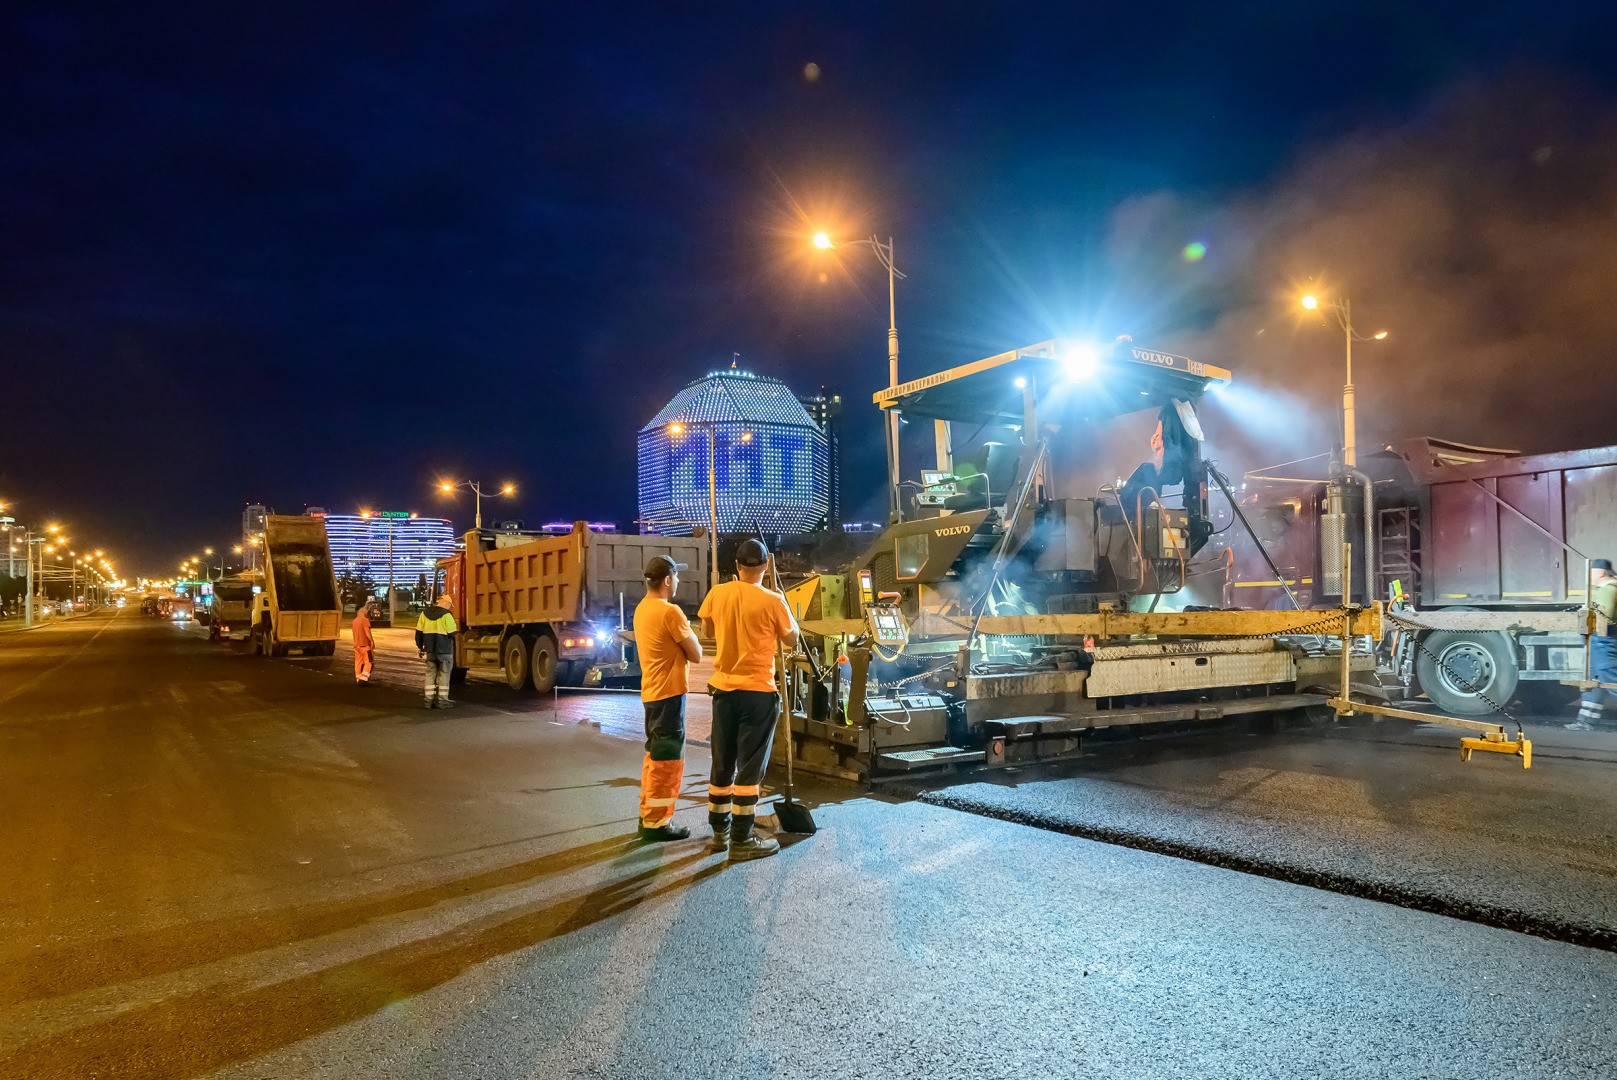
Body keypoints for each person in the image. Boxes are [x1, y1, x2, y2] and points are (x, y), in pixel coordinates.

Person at [698, 537, 798, 862]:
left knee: (722, 764)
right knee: (749, 770)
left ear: (737, 567)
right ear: (766, 567)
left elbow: (707, 633)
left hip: (724, 692)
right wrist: (782, 607)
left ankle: (719, 833)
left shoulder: (717, 594)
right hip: (758, 693)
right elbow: (792, 639)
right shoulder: (773, 600)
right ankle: (742, 839)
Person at [634, 556, 703, 842]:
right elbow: (697, 653)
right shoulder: (670, 612)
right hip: (669, 696)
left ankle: (647, 815)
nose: (678, 581)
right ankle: (658, 824)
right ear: (666, 580)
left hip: (652, 693)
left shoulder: (641, 609)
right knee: (667, 760)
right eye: (676, 576)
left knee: (653, 756)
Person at [1568, 559, 1617, 731]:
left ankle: (1586, 722)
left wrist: (1587, 611)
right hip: (1597, 642)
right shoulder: (1603, 589)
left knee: (1610, 680)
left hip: (1604, 641)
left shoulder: (1609, 589)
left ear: (1601, 572)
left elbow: (1605, 615)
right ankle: (1586, 720)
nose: (1589, 576)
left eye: (1592, 571)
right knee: (1592, 680)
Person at [415, 593, 458, 709]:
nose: (450, 608)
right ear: (446, 604)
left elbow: (418, 633)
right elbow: (452, 633)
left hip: (430, 650)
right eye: (449, 605)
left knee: (430, 674)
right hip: (444, 650)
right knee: (444, 674)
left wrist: (421, 647)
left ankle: (428, 701)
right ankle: (442, 701)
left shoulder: (424, 614)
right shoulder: (447, 615)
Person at [352, 601, 377, 684]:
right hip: (365, 645)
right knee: (369, 662)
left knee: (358, 662)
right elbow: (367, 632)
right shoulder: (365, 620)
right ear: (362, 611)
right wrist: (371, 641)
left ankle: (358, 678)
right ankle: (364, 679)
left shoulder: (354, 621)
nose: (367, 611)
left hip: (356, 645)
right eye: (365, 609)